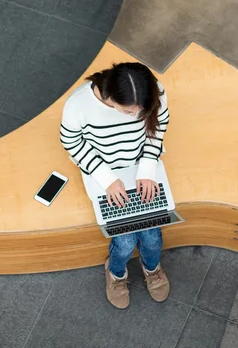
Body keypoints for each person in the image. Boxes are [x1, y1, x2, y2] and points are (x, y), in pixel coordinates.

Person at [59, 62, 170, 309]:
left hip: (142, 168)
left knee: (152, 237)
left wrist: (148, 168)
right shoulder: (78, 105)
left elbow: (158, 126)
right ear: (110, 98)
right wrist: (107, 179)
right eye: (129, 112)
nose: (136, 116)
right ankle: (116, 272)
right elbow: (71, 142)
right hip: (102, 173)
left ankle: (152, 267)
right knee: (126, 241)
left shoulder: (153, 91)